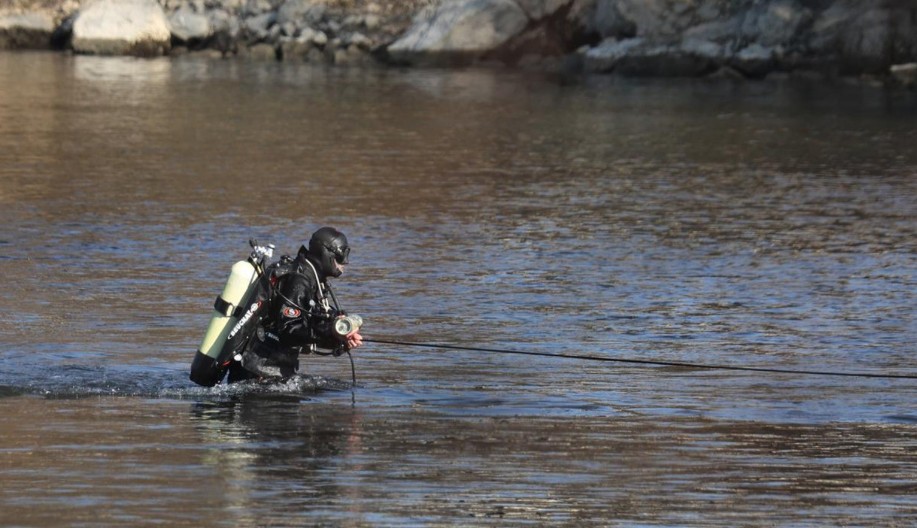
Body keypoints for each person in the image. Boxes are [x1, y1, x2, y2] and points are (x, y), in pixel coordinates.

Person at [227, 227, 364, 383]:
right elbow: (289, 330)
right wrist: (332, 331)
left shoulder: (313, 281)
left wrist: (339, 340)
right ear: (325, 253)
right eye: (340, 256)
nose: (345, 262)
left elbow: (309, 330)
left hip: (270, 372)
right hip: (258, 372)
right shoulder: (299, 280)